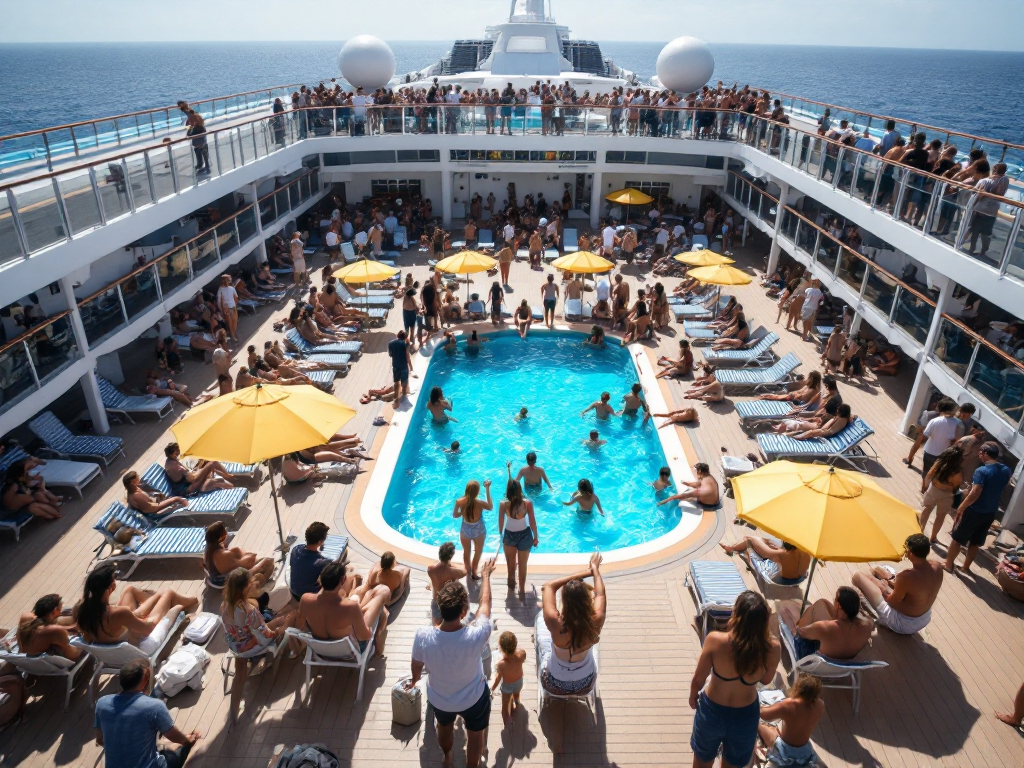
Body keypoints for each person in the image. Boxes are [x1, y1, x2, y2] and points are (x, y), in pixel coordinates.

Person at [407, 559, 496, 768]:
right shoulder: (477, 635)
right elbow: (485, 605)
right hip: (474, 698)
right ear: (464, 613)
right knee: (475, 736)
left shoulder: (423, 636)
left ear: (440, 608)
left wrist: (414, 680)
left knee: (444, 728)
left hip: (440, 698)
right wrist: (485, 576)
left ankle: (447, 757)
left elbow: (416, 664)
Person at [689, 591, 781, 768]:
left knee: (701, 763)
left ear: (736, 615)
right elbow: (767, 678)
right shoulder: (772, 648)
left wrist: (693, 696)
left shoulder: (715, 640)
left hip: (712, 712)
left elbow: (698, 679)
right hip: (744, 716)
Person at [94, 658, 201, 768]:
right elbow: (173, 736)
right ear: (145, 677)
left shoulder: (102, 703)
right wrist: (188, 741)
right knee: (172, 755)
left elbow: (100, 740)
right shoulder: (154, 706)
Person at [75, 562, 198, 654]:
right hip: (140, 647)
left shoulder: (83, 612)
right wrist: (144, 618)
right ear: (110, 586)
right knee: (169, 593)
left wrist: (134, 617)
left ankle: (162, 597)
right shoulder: (118, 613)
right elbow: (149, 628)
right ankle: (191, 601)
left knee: (131, 590)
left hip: (115, 648)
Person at [536, 552, 605, 695]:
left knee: (540, 621)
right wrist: (595, 571)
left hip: (553, 684)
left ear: (565, 602)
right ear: (587, 601)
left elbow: (548, 586)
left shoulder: (555, 622)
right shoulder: (596, 620)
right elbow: (600, 594)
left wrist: (586, 573)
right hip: (585, 684)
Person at [852, 533, 942, 634]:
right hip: (924, 618)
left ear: (911, 553)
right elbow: (919, 585)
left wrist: (884, 588)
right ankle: (877, 580)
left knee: (857, 577)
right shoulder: (937, 567)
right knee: (877, 570)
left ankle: (877, 617)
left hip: (903, 624)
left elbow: (891, 602)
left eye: (906, 548)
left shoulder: (906, 576)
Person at [945, 441, 1011, 574]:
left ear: (986, 454)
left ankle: (948, 565)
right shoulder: (1006, 470)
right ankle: (965, 567)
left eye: (981, 452)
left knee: (957, 538)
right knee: (975, 542)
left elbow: (975, 493)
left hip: (974, 511)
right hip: (990, 512)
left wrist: (961, 507)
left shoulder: (981, 471)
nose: (979, 454)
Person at [298, 561, 390, 657]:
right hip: (349, 652)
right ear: (342, 579)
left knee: (364, 600)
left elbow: (301, 624)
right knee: (381, 595)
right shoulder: (351, 607)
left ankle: (375, 608)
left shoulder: (305, 599)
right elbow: (364, 636)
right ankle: (380, 625)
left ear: (321, 579)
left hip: (319, 650)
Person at [777, 586, 873, 661]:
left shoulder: (825, 627)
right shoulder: (867, 626)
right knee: (822, 603)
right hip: (843, 661)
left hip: (816, 657)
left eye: (835, 599)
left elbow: (801, 633)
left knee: (787, 622)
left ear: (838, 605)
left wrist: (796, 629)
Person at [757, 674, 825, 768]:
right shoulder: (820, 705)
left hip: (784, 751)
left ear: (798, 688)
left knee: (759, 725)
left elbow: (764, 714)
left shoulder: (790, 704)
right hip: (805, 751)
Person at [204, 521, 274, 591]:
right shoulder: (221, 555)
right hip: (232, 581)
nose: (226, 533)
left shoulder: (209, 550)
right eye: (225, 531)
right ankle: (255, 588)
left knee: (260, 561)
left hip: (219, 579)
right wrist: (250, 557)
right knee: (268, 562)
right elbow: (244, 565)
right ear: (221, 536)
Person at [499, 479, 539, 597]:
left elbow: (501, 522)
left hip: (509, 535)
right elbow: (532, 522)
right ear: (520, 489)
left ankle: (510, 593)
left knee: (511, 568)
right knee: (523, 566)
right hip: (525, 536)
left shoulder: (503, 504)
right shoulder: (527, 503)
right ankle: (521, 591)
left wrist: (501, 536)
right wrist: (535, 536)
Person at [288, 521, 346, 602]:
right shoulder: (321, 563)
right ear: (320, 542)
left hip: (293, 590)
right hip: (307, 597)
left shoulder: (296, 549)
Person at [904, 398, 963, 473]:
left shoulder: (930, 415)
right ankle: (910, 458)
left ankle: (910, 458)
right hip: (938, 447)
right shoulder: (957, 422)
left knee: (919, 441)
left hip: (931, 444)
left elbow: (920, 429)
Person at [721, 536, 811, 585]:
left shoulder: (784, 555)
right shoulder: (808, 552)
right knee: (769, 542)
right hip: (799, 578)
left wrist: (753, 540)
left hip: (783, 580)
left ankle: (731, 548)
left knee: (750, 541)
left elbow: (766, 554)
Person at [16, 593, 82, 660]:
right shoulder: (55, 631)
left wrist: (71, 628)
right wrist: (82, 646)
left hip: (31, 662)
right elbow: (73, 655)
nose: (60, 612)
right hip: (58, 663)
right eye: (60, 609)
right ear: (55, 611)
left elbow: (46, 629)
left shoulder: (26, 622)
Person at [919, 446, 963, 543]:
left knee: (926, 510)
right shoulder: (957, 471)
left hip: (933, 489)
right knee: (940, 516)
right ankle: (933, 537)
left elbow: (929, 474)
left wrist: (925, 486)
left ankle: (919, 531)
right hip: (946, 495)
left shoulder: (939, 463)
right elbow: (956, 486)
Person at [453, 479, 493, 580]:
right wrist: (487, 489)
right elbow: (490, 507)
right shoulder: (479, 503)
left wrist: (463, 511)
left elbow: (455, 515)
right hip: (478, 530)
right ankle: (474, 573)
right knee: (478, 551)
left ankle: (468, 571)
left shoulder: (459, 502)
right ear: (477, 491)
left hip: (465, 529)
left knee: (466, 552)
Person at [163, 443, 236, 495]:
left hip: (184, 486)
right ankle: (228, 476)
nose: (177, 454)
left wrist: (199, 471)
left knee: (217, 479)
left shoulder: (169, 462)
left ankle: (232, 485)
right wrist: (200, 472)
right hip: (187, 488)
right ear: (170, 454)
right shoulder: (177, 466)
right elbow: (191, 479)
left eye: (178, 452)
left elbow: (186, 476)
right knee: (212, 464)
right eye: (175, 453)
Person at [426, 541, 467, 626]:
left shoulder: (430, 569)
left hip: (436, 601)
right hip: (448, 601)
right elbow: (465, 571)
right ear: (451, 556)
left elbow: (440, 568)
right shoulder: (453, 572)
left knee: (436, 626)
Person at [491, 631, 527, 728]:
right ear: (515, 645)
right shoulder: (521, 655)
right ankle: (516, 701)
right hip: (519, 682)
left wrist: (492, 688)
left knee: (505, 704)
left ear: (501, 648)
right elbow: (523, 655)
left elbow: (498, 679)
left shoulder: (501, 664)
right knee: (516, 693)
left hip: (507, 687)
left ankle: (507, 718)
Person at [122, 470, 187, 518]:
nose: (139, 478)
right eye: (137, 477)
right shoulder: (136, 497)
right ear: (133, 482)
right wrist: (175, 499)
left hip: (157, 504)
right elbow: (154, 508)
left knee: (182, 499)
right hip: (155, 513)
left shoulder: (134, 488)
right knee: (183, 506)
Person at [388, 330, 414, 400]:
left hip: (395, 365)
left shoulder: (390, 343)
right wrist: (411, 367)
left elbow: (390, 354)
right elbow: (407, 356)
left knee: (396, 382)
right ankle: (404, 396)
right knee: (404, 382)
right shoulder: (405, 344)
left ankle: (396, 398)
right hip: (403, 366)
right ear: (405, 337)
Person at [216, 274, 239, 342]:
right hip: (226, 309)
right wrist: (222, 311)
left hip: (233, 307)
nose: (230, 280)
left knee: (235, 321)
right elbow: (219, 302)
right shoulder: (220, 290)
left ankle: (233, 335)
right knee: (229, 323)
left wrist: (235, 305)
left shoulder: (231, 288)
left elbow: (236, 298)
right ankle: (232, 337)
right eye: (228, 279)